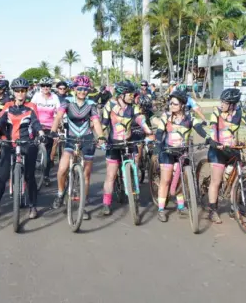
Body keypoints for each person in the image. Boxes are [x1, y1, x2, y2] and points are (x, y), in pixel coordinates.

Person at [0, 77, 45, 220]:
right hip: (10, 142)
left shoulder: (31, 107)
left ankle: (32, 206)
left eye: (23, 90)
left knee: (30, 176)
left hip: (28, 142)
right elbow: (0, 122)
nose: (20, 93)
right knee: (2, 176)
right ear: (13, 92)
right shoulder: (7, 106)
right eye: (17, 91)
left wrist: (41, 134)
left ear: (27, 92)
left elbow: (36, 123)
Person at [205, 88, 246, 224]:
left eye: (225, 102)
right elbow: (213, 129)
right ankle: (212, 210)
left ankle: (234, 208)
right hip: (218, 149)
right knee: (216, 180)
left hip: (232, 149)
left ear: (232, 104)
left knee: (236, 180)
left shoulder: (240, 113)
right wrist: (215, 142)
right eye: (222, 102)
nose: (222, 104)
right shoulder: (216, 113)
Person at [50, 75, 105, 219]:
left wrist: (101, 137)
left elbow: (96, 122)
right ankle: (61, 194)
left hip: (87, 139)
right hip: (70, 139)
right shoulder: (67, 102)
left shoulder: (91, 104)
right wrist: (53, 132)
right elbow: (58, 117)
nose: (82, 91)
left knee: (86, 175)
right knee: (62, 170)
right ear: (74, 89)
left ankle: (82, 205)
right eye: (79, 88)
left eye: (85, 89)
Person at [152, 90, 209, 222]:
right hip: (167, 151)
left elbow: (199, 129)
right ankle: (161, 209)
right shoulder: (166, 116)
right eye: (170, 103)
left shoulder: (190, 118)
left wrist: (208, 138)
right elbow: (160, 132)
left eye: (174, 104)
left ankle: (181, 205)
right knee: (166, 180)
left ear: (182, 105)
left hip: (183, 153)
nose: (171, 105)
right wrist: (158, 143)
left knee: (180, 180)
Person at [100, 80, 154, 216]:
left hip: (129, 143)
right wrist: (100, 138)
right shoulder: (109, 106)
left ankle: (131, 187)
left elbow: (140, 119)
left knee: (134, 165)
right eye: (129, 94)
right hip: (113, 144)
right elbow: (104, 124)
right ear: (121, 94)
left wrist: (149, 132)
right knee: (111, 175)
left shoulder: (134, 107)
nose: (132, 96)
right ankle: (106, 203)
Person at [30, 77, 60, 187]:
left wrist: (60, 123)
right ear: (40, 87)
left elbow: (59, 111)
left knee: (47, 154)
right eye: (43, 86)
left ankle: (46, 176)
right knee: (32, 150)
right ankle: (30, 174)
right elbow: (31, 109)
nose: (46, 88)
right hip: (36, 126)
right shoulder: (36, 96)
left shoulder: (55, 97)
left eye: (48, 86)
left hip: (50, 127)